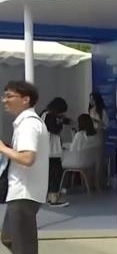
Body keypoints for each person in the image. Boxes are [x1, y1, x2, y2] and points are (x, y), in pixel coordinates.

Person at [0, 81, 49, 254]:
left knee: (22, 244)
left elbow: (27, 158)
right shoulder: (25, 123)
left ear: (25, 99)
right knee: (9, 236)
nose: (4, 100)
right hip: (21, 191)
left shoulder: (28, 124)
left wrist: (3, 148)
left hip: (24, 192)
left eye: (9, 96)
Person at [41, 97, 69, 207]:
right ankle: (54, 199)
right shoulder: (50, 116)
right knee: (56, 174)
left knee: (49, 174)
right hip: (52, 150)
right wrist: (61, 122)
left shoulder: (43, 114)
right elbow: (55, 129)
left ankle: (49, 197)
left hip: (44, 149)